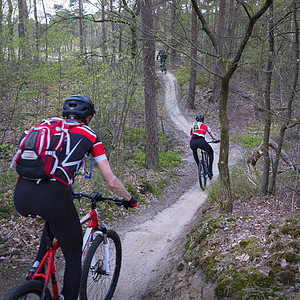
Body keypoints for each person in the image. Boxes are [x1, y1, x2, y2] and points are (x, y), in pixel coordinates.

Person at [13, 95, 137, 300]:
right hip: (53, 197)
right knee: (73, 254)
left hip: (21, 193)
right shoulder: (90, 136)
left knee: (53, 224)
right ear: (87, 117)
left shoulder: (49, 129)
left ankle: (34, 276)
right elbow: (112, 182)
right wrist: (128, 198)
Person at [190, 114, 219, 179]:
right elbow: (213, 136)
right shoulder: (205, 126)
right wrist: (217, 140)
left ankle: (199, 167)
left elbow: (191, 135)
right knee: (210, 152)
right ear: (203, 120)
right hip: (201, 141)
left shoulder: (193, 126)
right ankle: (210, 172)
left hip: (192, 142)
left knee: (194, 152)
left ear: (196, 120)